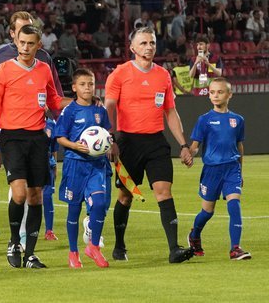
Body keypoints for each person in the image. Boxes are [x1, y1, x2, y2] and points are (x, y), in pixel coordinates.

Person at [106, 27, 195, 264]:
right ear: (133, 48)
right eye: (143, 43)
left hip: (155, 142)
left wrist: (184, 145)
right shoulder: (119, 74)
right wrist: (112, 139)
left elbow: (170, 112)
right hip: (127, 142)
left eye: (152, 43)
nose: (148, 47)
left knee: (164, 192)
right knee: (125, 196)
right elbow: (110, 108)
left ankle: (174, 249)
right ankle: (119, 245)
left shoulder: (163, 75)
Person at [0, 24, 66, 269]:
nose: (26, 47)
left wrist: (81, 103)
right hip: (11, 138)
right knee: (19, 194)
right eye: (22, 42)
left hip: (37, 138)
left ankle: (30, 253)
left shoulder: (44, 70)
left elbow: (54, 101)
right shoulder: (4, 70)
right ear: (16, 42)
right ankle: (13, 242)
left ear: (38, 45)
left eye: (31, 43)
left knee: (36, 196)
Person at [53, 69, 112, 268]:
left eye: (90, 84)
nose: (87, 87)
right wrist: (74, 145)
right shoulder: (69, 110)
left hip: (96, 165)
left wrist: (107, 143)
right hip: (74, 165)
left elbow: (106, 133)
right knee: (74, 210)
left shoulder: (100, 111)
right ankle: (73, 252)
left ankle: (93, 246)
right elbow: (59, 137)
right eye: (83, 84)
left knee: (99, 203)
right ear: (74, 88)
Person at [187, 78, 250, 261]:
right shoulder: (204, 120)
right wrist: (189, 153)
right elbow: (195, 145)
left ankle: (235, 248)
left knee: (234, 205)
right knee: (207, 212)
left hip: (232, 169)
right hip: (211, 171)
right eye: (212, 92)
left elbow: (239, 146)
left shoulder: (238, 120)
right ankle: (195, 235)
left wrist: (241, 170)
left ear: (229, 95)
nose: (215, 95)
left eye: (220, 92)